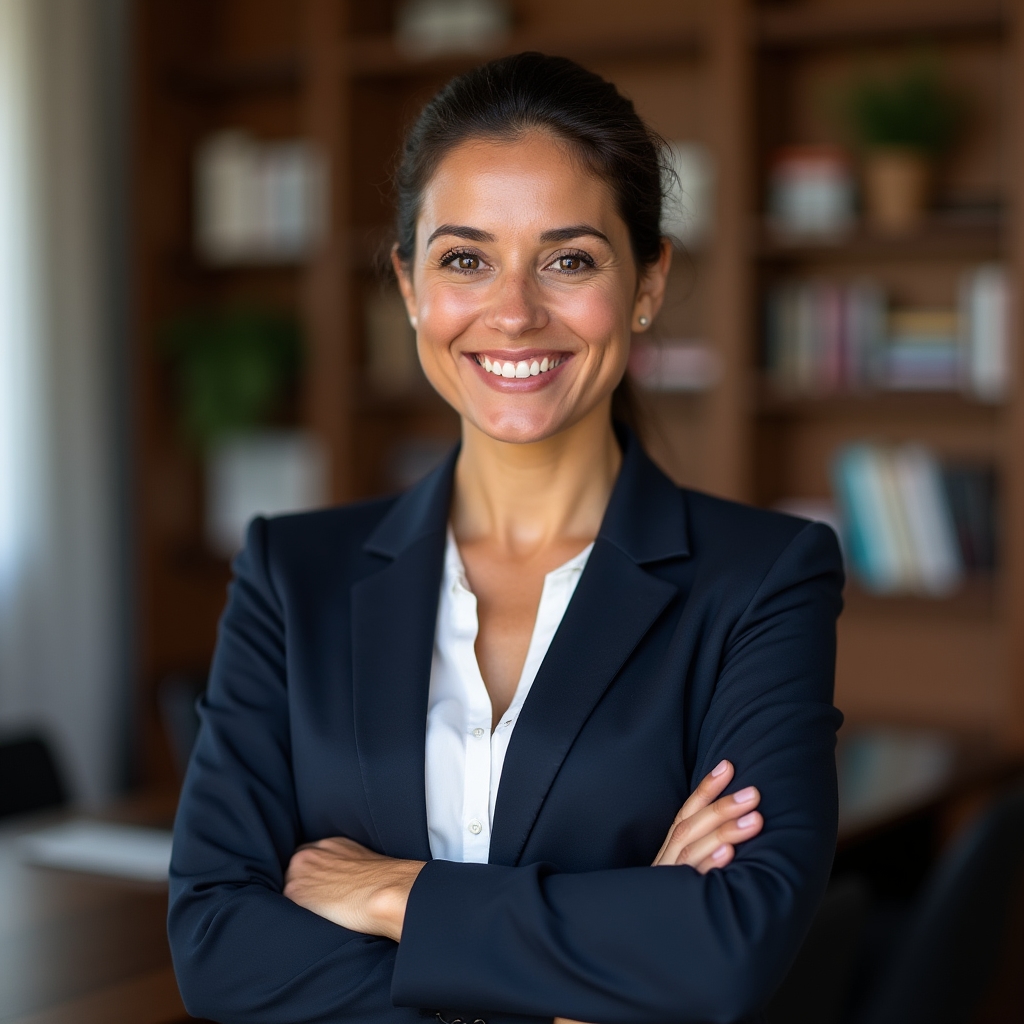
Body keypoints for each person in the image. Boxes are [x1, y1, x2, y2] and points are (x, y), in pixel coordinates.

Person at [168, 52, 844, 1024]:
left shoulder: (761, 579)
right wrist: (600, 966)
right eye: (464, 258)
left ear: (647, 282)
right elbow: (216, 946)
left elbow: (728, 943)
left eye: (568, 259)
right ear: (408, 284)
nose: (515, 311)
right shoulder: (290, 573)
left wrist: (392, 892)